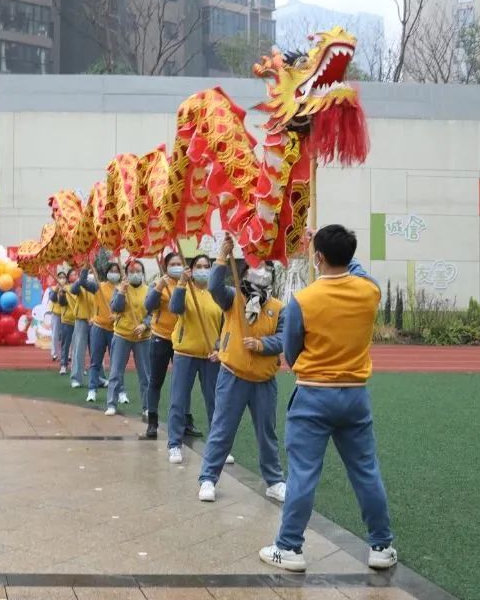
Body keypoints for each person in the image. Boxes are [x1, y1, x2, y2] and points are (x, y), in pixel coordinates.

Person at [260, 225, 397, 573]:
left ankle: (289, 547)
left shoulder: (303, 300)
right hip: (354, 395)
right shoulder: (369, 291)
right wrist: (331, 246)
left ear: (318, 257)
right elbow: (356, 269)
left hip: (313, 395)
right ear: (350, 255)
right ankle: (381, 545)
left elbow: (291, 351)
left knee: (303, 475)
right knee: (366, 471)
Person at [197, 236, 284, 503]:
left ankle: (274, 481)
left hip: (264, 381)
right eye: (256, 267)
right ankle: (208, 478)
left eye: (266, 269)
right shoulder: (233, 297)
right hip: (233, 376)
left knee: (266, 433)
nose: (261, 272)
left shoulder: (278, 307)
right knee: (222, 430)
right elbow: (214, 287)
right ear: (245, 272)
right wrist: (222, 257)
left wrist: (261, 344)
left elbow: (284, 339)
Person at [165, 254, 226, 465]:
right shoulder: (184, 289)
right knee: (178, 401)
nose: (203, 270)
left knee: (215, 402)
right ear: (191, 269)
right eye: (198, 266)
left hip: (210, 356)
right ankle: (174, 444)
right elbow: (175, 308)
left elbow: (226, 325)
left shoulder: (217, 293)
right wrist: (182, 283)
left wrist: (220, 347)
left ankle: (218, 447)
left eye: (206, 266)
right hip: (185, 354)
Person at [141, 252, 183, 440]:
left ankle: (185, 420)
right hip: (161, 337)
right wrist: (159, 287)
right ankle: (152, 421)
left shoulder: (187, 284)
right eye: (173, 264)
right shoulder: (158, 284)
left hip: (181, 339)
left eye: (179, 263)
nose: (177, 267)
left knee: (182, 382)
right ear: (165, 267)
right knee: (156, 381)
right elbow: (148, 305)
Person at [104, 260, 151, 416]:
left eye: (138, 271)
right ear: (126, 274)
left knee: (145, 374)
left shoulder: (149, 290)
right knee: (116, 372)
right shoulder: (120, 288)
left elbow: (153, 313)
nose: (135, 274)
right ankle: (111, 404)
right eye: (131, 272)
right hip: (122, 335)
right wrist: (122, 292)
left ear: (142, 273)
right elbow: (115, 308)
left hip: (142, 337)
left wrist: (145, 325)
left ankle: (147, 407)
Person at [79, 262, 115, 401]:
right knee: (95, 361)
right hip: (99, 328)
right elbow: (83, 282)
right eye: (111, 271)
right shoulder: (99, 286)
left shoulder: (122, 288)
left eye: (116, 271)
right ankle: (92, 390)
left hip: (115, 330)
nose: (114, 273)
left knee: (116, 363)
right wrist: (85, 268)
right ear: (107, 273)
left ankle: (119, 391)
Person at [67, 266, 93, 386]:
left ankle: (99, 377)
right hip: (82, 320)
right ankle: (76, 378)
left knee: (97, 351)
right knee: (78, 350)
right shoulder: (79, 285)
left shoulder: (97, 286)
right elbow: (73, 290)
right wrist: (81, 278)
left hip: (95, 322)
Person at [55, 271, 77, 375]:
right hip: (67, 321)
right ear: (68, 277)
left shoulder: (80, 288)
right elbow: (61, 303)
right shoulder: (64, 288)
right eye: (72, 275)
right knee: (65, 344)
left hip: (79, 321)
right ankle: (63, 365)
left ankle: (77, 366)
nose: (74, 276)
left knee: (78, 345)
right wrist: (63, 293)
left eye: (76, 274)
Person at [48, 271, 66, 363]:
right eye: (60, 277)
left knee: (66, 335)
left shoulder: (68, 288)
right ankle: (55, 353)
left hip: (66, 314)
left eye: (64, 277)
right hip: (56, 314)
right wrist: (57, 289)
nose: (62, 279)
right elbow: (52, 298)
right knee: (55, 334)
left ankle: (67, 354)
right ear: (57, 279)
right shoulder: (53, 288)